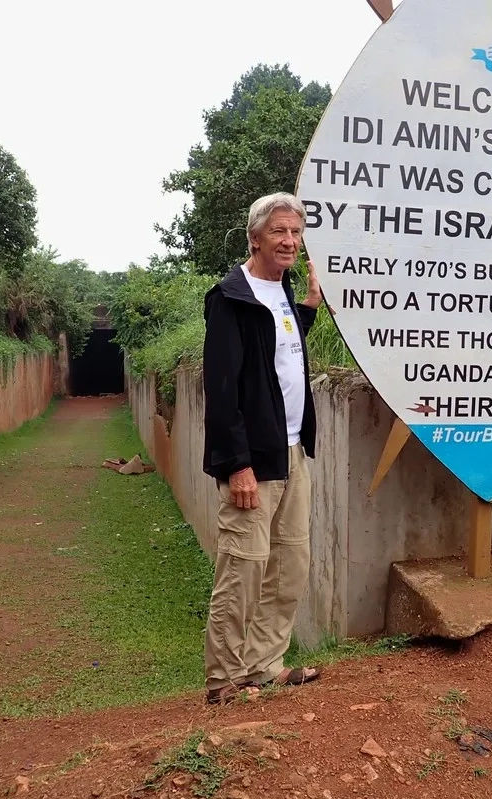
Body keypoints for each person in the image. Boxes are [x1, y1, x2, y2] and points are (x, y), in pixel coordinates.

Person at [200, 192, 324, 705]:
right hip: (253, 462)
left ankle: (264, 664)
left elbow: (279, 352)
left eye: (295, 233)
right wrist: (237, 466)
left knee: (289, 566)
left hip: (293, 452)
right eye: (278, 232)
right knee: (243, 569)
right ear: (255, 237)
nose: (289, 241)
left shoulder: (282, 293)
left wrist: (309, 309)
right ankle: (224, 679)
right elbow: (223, 388)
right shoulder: (230, 297)